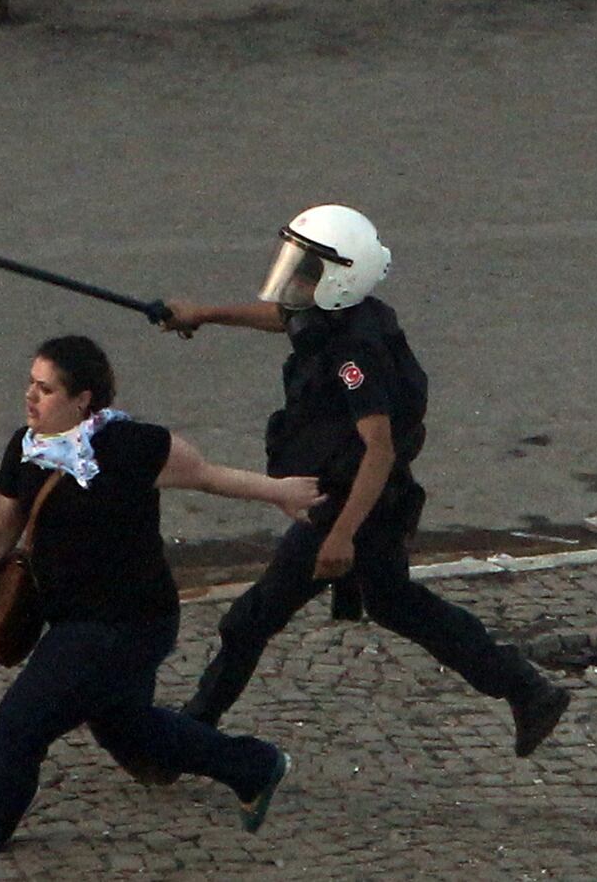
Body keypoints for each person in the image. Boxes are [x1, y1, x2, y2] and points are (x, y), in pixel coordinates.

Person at [160, 204, 571, 760]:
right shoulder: (338, 316)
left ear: (338, 279)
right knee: (398, 604)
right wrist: (201, 314)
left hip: (355, 504)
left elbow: (380, 449)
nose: (296, 280)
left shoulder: (357, 351)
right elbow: (281, 317)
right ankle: (528, 689)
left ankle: (188, 739)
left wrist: (340, 536)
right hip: (363, 501)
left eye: (308, 269)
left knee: (249, 621)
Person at [0, 335, 319, 882]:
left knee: (21, 727)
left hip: (129, 623)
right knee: (130, 728)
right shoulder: (26, 449)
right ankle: (255, 766)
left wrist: (280, 491)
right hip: (74, 619)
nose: (31, 396)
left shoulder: (131, 445)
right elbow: (1, 531)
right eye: (31, 382)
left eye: (46, 388)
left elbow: (208, 475)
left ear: (83, 400)